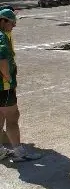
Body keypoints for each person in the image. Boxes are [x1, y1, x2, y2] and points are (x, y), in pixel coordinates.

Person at [0, 9, 41, 162]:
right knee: (12, 117)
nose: (14, 26)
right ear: (3, 21)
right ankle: (19, 153)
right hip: (3, 87)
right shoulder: (1, 36)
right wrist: (9, 79)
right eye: (12, 23)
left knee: (0, 116)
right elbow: (2, 60)